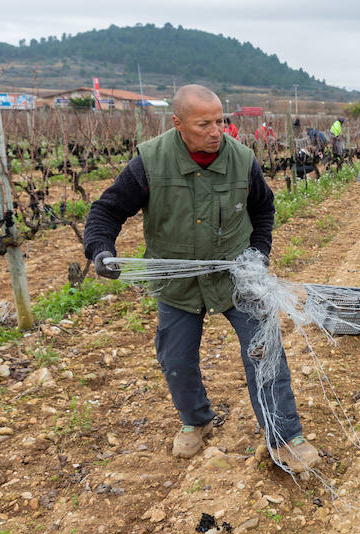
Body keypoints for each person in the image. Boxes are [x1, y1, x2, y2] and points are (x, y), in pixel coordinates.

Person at [82, 85, 321, 473]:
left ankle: (284, 436)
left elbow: (263, 210)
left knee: (264, 351)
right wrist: (100, 250)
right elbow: (106, 211)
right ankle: (196, 419)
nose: (216, 131)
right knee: (176, 359)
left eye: (220, 121)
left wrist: (257, 256)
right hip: (177, 283)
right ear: (177, 124)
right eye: (204, 124)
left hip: (238, 278)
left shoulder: (242, 160)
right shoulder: (150, 161)